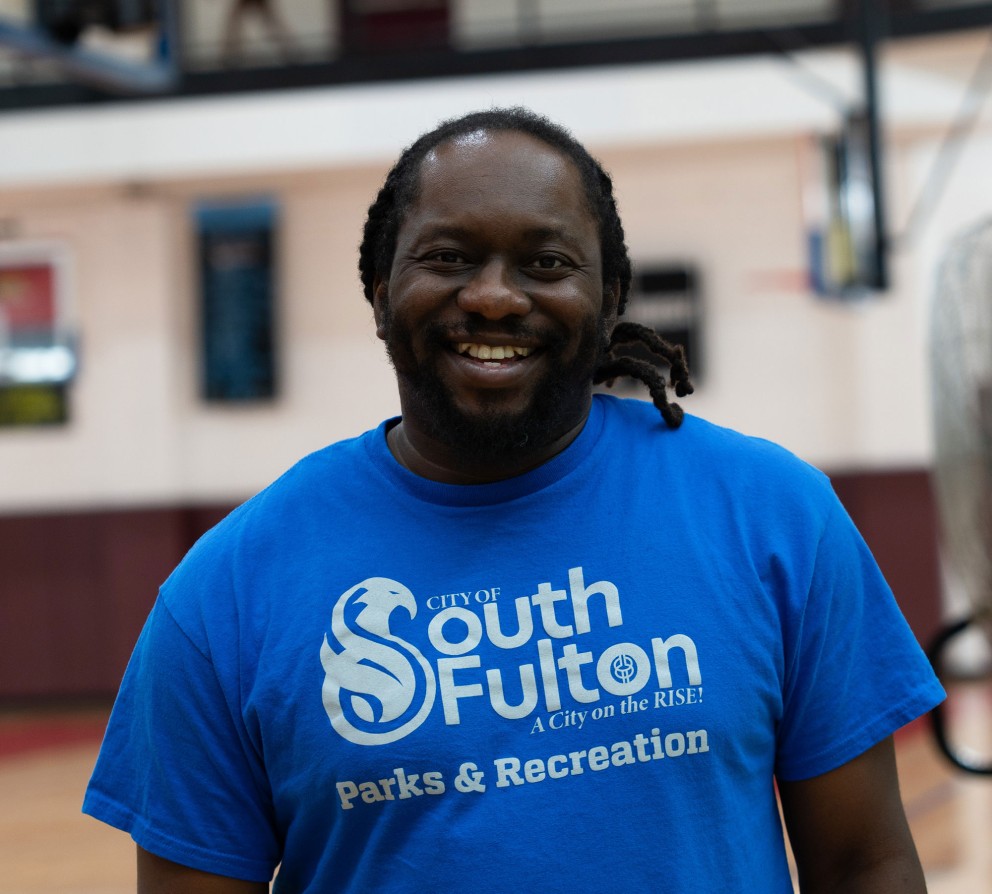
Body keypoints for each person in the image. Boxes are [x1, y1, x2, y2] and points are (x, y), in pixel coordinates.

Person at [83, 107, 944, 893]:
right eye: (449, 257)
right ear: (380, 291)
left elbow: (863, 860)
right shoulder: (223, 596)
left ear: (607, 301)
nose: (494, 295)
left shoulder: (774, 517)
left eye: (546, 262)